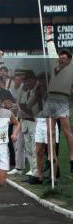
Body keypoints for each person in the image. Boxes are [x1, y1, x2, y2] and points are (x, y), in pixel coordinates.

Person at [44, 26, 73, 173]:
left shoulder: (70, 68)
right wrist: (49, 36)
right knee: (50, 133)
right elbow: (51, 49)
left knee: (67, 131)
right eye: (60, 57)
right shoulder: (54, 64)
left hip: (62, 101)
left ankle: (72, 158)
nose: (61, 58)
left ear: (68, 60)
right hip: (50, 101)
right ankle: (50, 158)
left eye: (64, 58)